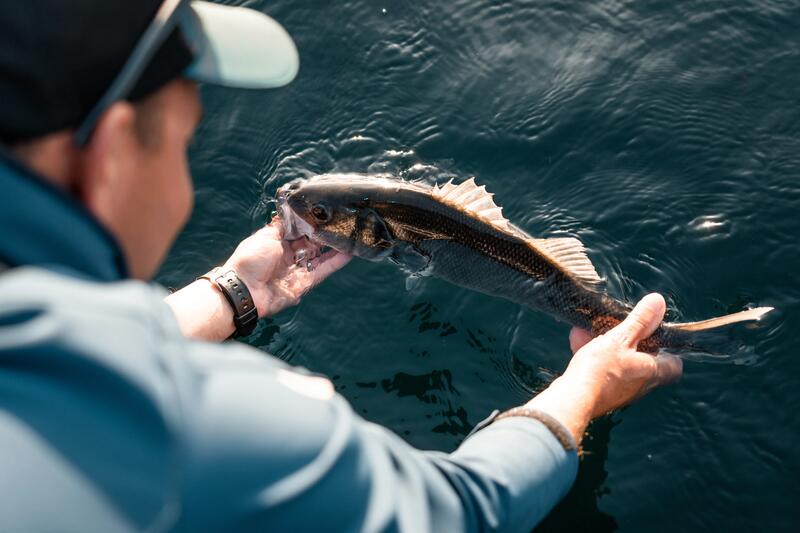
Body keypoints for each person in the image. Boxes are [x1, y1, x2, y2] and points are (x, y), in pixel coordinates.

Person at [0, 1, 682, 532]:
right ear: (114, 155)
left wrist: (236, 292)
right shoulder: (226, 427)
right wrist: (588, 387)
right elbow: (466, 511)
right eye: (185, 136)